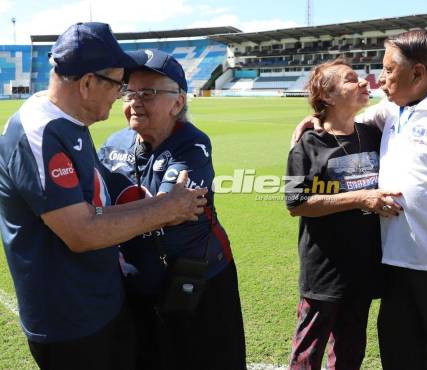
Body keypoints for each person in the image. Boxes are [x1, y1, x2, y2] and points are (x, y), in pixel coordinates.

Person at [0, 23, 207, 370]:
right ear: (87, 83)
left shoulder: (66, 119)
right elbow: (82, 232)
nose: (120, 95)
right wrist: (168, 207)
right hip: (71, 322)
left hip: (102, 303)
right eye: (119, 85)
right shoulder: (39, 134)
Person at [292, 29, 427, 370]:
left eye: (388, 70)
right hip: (395, 270)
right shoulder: (394, 108)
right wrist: (314, 118)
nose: (380, 79)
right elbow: (341, 121)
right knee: (400, 359)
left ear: (417, 73)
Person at [98, 49, 246, 370]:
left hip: (199, 283)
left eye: (148, 92)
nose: (135, 101)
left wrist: (103, 223)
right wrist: (161, 209)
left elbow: (173, 208)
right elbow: (161, 208)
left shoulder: (192, 145)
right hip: (135, 288)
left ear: (178, 103)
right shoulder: (113, 144)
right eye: (130, 92)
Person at [285, 58, 401, 370]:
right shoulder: (306, 145)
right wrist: (361, 198)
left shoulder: (373, 134)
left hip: (364, 267)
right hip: (324, 271)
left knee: (350, 354)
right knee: (307, 355)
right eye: (351, 79)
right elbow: (296, 203)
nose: (364, 82)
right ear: (328, 96)